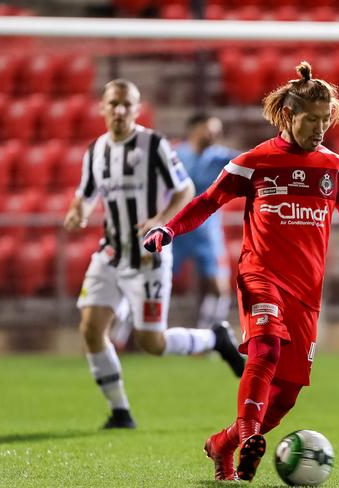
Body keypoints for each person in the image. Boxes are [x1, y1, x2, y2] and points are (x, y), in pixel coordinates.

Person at [143, 61, 339, 481]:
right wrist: (169, 229)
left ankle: (223, 443)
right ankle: (249, 434)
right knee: (265, 349)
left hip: (306, 293)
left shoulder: (337, 168)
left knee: (284, 400)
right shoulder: (254, 162)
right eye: (311, 119)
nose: (320, 128)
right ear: (288, 115)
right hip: (260, 274)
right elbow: (208, 201)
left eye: (327, 120)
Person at [62, 79, 245, 430]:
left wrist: (160, 220)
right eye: (113, 103)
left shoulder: (154, 145)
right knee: (90, 328)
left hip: (149, 255)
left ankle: (215, 339)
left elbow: (185, 189)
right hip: (111, 254)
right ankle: (120, 411)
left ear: (136, 108)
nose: (119, 110)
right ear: (102, 107)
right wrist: (78, 212)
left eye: (126, 104)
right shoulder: (96, 150)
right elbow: (85, 194)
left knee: (152, 342)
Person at [172, 113, 240, 329]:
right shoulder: (175, 155)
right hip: (176, 230)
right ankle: (128, 335)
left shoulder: (218, 156)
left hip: (207, 231)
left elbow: (245, 159)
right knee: (152, 281)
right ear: (195, 128)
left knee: (219, 287)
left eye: (218, 132)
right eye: (211, 129)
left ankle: (209, 334)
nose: (215, 135)